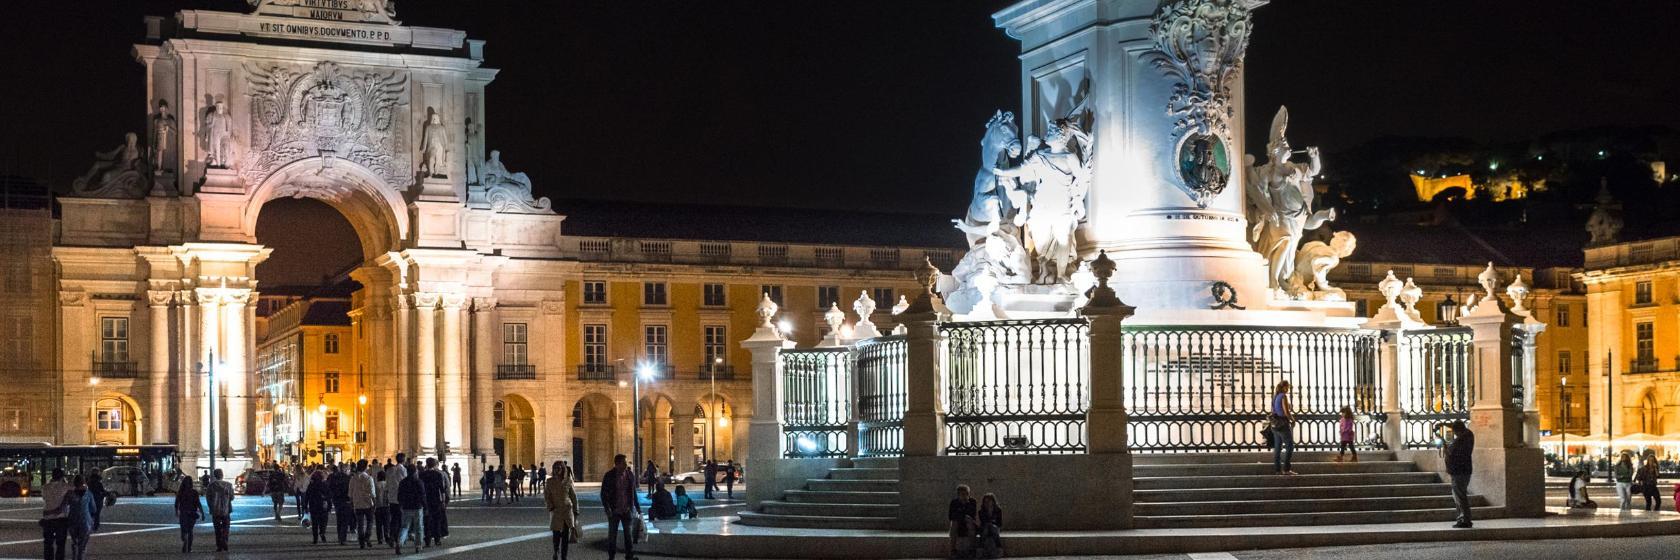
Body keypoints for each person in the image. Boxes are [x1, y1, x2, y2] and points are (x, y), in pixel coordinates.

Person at [600, 454, 642, 560]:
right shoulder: (609, 476)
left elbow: (633, 492)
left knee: (628, 535)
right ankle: (611, 556)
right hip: (614, 510)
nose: (626, 465)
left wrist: (637, 507)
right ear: (617, 464)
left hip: (626, 509)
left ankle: (629, 556)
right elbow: (604, 494)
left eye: (626, 462)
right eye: (624, 462)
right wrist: (607, 508)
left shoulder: (629, 475)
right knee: (612, 535)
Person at [544, 462, 580, 560]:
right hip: (556, 510)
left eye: (559, 468)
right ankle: (556, 550)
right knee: (556, 533)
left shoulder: (568, 481)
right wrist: (550, 507)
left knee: (565, 535)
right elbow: (547, 496)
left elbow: (573, 496)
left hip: (567, 510)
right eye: (555, 468)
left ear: (563, 469)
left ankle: (564, 556)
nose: (557, 470)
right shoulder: (549, 481)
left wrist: (576, 510)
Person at [1443, 420, 1475, 528]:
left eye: (1455, 431)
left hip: (1460, 471)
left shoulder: (1464, 438)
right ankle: (1463, 518)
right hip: (1460, 471)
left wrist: (1447, 449)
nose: (1455, 434)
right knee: (1459, 496)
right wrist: (1444, 424)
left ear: (1458, 430)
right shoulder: (1466, 435)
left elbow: (1454, 453)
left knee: (1460, 497)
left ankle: (1464, 519)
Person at [39, 468, 71, 560]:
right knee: (60, 544)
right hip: (61, 519)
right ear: (62, 477)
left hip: (47, 518)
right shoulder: (65, 486)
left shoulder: (45, 487)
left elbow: (45, 498)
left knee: (48, 544)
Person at [396, 463, 426, 554]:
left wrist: (401, 504)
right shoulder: (419, 482)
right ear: (415, 471)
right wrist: (425, 506)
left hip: (406, 507)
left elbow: (399, 495)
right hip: (417, 507)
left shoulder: (403, 482)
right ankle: (418, 545)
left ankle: (399, 542)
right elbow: (422, 495)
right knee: (418, 527)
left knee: (404, 527)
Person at [420, 458, 450, 546]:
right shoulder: (438, 474)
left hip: (426, 500)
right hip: (436, 500)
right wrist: (443, 501)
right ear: (434, 465)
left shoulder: (422, 475)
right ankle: (437, 539)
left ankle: (427, 540)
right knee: (437, 520)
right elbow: (442, 489)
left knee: (427, 520)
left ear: (427, 464)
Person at [65, 475, 95, 560]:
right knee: (82, 544)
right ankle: (80, 557)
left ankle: (74, 555)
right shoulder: (88, 494)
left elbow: (65, 505)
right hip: (85, 521)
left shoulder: (70, 494)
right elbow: (93, 508)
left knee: (75, 541)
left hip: (72, 520)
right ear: (84, 483)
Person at [1270, 380, 1297, 475]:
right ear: (1283, 387)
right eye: (1287, 387)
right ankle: (1286, 469)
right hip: (1283, 424)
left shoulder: (1275, 397)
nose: (1288, 389)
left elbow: (1273, 411)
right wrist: (1293, 420)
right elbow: (1286, 412)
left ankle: (1278, 470)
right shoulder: (1283, 396)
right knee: (1290, 446)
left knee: (1277, 447)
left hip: (1275, 425)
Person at [205, 469, 235, 552]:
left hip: (215, 510)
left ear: (215, 475)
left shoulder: (211, 486)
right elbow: (232, 497)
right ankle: (225, 542)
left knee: (217, 529)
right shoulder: (228, 485)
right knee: (226, 527)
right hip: (226, 510)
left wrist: (211, 507)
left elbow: (208, 498)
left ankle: (219, 545)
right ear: (222, 475)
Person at [351, 461, 378, 549]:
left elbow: (350, 493)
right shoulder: (369, 478)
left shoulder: (353, 478)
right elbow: (373, 493)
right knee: (370, 521)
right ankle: (367, 536)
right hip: (368, 503)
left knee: (360, 524)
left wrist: (352, 503)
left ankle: (361, 542)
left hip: (357, 504)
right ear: (365, 467)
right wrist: (375, 503)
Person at [948, 485, 979, 559]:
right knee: (954, 523)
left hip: (969, 524)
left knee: (969, 520)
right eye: (963, 494)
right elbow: (951, 516)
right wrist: (962, 513)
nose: (965, 496)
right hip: (958, 524)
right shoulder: (954, 503)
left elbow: (972, 514)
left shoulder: (972, 502)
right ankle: (953, 550)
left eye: (967, 494)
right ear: (958, 495)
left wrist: (962, 510)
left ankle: (972, 549)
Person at [174, 478, 204, 553]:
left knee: (183, 529)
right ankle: (189, 548)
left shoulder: (180, 492)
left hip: (183, 512)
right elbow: (198, 503)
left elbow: (176, 503)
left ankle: (184, 539)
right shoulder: (194, 492)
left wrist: (176, 511)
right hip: (192, 513)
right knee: (190, 530)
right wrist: (202, 513)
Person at [305, 470, 331, 544]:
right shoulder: (324, 484)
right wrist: (329, 506)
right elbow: (329, 496)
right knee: (323, 521)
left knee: (315, 523)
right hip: (323, 505)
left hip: (313, 505)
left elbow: (307, 496)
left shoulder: (311, 485)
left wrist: (305, 506)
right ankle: (322, 532)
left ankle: (315, 538)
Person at [977, 493, 1003, 559]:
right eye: (985, 502)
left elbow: (999, 523)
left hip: (994, 527)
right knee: (986, 529)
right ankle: (981, 549)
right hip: (985, 527)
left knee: (993, 528)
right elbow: (983, 522)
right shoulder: (981, 511)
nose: (987, 503)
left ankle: (999, 548)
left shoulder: (998, 510)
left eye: (989, 501)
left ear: (993, 502)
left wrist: (992, 524)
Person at [374, 470, 390, 546]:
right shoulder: (387, 484)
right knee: (386, 523)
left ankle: (380, 538)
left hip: (378, 506)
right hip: (386, 506)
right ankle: (387, 536)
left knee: (379, 524)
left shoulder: (376, 484)